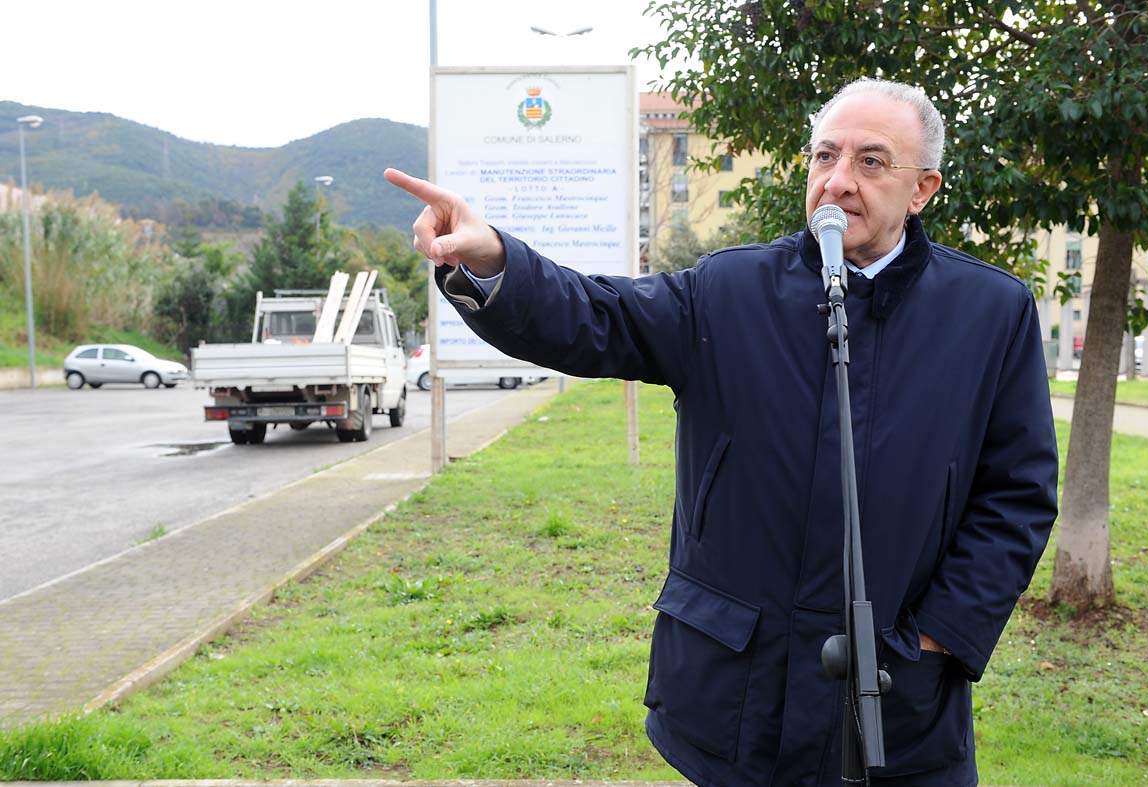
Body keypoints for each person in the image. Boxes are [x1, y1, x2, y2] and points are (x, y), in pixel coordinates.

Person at [384, 78, 1058, 787]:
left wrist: (935, 637)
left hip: (899, 696)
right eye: (824, 156)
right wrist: (492, 257)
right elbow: (597, 315)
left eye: (870, 161)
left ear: (921, 189)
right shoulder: (727, 290)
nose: (837, 180)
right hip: (741, 694)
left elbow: (1016, 494)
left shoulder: (988, 312)